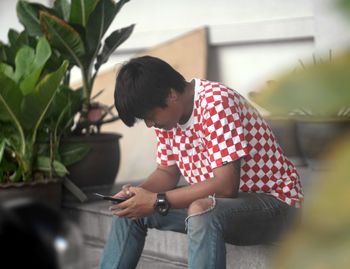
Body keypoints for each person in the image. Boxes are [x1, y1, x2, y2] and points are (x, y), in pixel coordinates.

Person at [99, 55, 304, 269]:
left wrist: (157, 200)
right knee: (128, 209)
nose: (151, 125)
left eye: (151, 116)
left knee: (201, 210)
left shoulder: (216, 102)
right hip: (220, 207)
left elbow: (226, 187)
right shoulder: (168, 121)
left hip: (276, 205)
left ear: (171, 95)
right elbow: (166, 172)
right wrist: (137, 194)